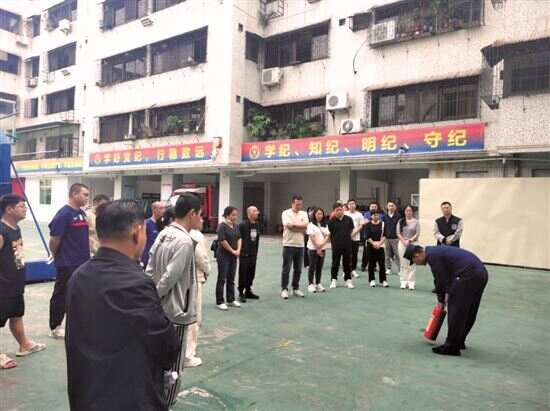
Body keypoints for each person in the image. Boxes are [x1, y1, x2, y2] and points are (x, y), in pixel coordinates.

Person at [66, 200, 179, 411]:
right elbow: (167, 347)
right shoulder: (135, 283)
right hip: (129, 398)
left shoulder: (78, 276)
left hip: (86, 395)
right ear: (137, 232)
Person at [146, 193, 202, 406]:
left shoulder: (164, 233)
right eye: (200, 215)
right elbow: (170, 276)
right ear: (191, 214)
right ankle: (167, 403)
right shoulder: (185, 241)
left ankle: (155, 399)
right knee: (174, 365)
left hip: (159, 308)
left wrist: (150, 295)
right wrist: (156, 295)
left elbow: (150, 266)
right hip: (176, 311)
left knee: (156, 359)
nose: (201, 219)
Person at [406, 244, 489, 356]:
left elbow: (440, 280)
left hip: (467, 275)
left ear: (417, 255)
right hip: (481, 273)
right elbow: (447, 276)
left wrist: (441, 300)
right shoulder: (435, 251)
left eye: (414, 261)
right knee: (469, 310)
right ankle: (459, 341)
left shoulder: (432, 256)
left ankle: (452, 346)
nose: (417, 264)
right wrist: (447, 293)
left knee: (455, 310)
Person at [0, 195, 46, 370]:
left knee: (16, 314)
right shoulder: (2, 231)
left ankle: (24, 345)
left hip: (15, 282)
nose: (25, 209)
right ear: (9, 209)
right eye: (21, 206)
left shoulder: (16, 228)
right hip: (3, 285)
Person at [48, 183, 90, 339]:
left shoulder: (81, 213)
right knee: (61, 295)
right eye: (85, 194)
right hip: (67, 263)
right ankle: (55, 326)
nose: (87, 198)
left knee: (78, 295)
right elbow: (55, 239)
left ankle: (76, 325)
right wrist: (56, 255)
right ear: (74, 194)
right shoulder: (64, 214)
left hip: (82, 262)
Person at [185, 225, 211, 368]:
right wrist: (207, 271)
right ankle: (188, 356)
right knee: (193, 318)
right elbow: (202, 258)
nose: (202, 220)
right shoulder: (196, 236)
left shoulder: (167, 232)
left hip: (176, 281)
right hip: (193, 278)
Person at [328, 202, 362, 290]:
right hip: (336, 245)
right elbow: (330, 233)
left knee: (347, 263)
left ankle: (348, 280)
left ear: (343, 210)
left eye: (340, 210)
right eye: (337, 210)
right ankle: (334, 280)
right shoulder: (331, 221)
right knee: (335, 263)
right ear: (334, 211)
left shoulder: (349, 219)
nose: (339, 211)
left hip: (347, 245)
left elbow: (351, 230)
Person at [280, 195, 309, 299]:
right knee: (286, 268)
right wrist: (300, 227)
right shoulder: (286, 213)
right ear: (292, 203)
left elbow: (306, 227)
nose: (299, 206)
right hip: (288, 244)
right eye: (297, 204)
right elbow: (289, 226)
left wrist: (295, 226)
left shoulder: (304, 213)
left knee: (298, 269)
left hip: (300, 245)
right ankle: (284, 289)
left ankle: (295, 288)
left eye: (300, 204)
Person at [216, 206, 242, 310]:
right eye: (233, 215)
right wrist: (232, 250)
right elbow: (222, 241)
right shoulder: (221, 226)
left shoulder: (236, 226)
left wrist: (238, 250)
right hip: (223, 256)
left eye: (236, 215)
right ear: (227, 215)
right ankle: (220, 301)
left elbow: (239, 238)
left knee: (231, 278)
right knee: (222, 278)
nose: (235, 217)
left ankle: (230, 299)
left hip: (233, 256)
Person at [238, 205, 261, 302]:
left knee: (251, 272)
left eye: (257, 211)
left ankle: (248, 290)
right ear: (249, 213)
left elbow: (257, 239)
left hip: (253, 253)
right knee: (243, 273)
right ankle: (241, 292)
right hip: (244, 254)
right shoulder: (242, 225)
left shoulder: (257, 224)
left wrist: (256, 252)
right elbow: (238, 238)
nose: (257, 213)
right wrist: (240, 250)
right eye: (254, 211)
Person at [306, 207, 330, 293]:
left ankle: (318, 283)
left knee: (319, 267)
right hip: (313, 249)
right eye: (318, 214)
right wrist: (318, 247)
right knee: (312, 266)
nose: (320, 215)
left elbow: (328, 236)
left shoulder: (325, 225)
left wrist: (321, 246)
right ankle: (310, 284)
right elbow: (312, 237)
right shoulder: (310, 225)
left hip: (322, 248)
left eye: (321, 214)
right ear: (314, 215)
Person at [397, 205, 420, 290]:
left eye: (410, 210)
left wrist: (409, 240)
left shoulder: (416, 222)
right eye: (407, 210)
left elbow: (417, 233)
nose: (408, 212)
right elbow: (398, 233)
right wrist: (404, 241)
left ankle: (411, 282)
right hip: (402, 243)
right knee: (403, 263)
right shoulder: (400, 221)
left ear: (412, 212)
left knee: (411, 263)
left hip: (412, 243)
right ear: (404, 212)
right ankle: (403, 281)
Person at [365, 210, 388, 287]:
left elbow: (385, 235)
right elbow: (367, 236)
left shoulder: (383, 224)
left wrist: (379, 243)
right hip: (370, 246)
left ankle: (383, 280)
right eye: (374, 215)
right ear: (371, 216)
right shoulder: (368, 225)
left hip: (380, 246)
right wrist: (374, 243)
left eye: (377, 215)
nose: (376, 216)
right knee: (371, 264)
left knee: (382, 264)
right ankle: (372, 280)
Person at [141, 201, 167, 268]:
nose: (163, 210)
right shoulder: (147, 223)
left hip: (159, 258)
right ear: (154, 209)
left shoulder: (162, 225)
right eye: (160, 208)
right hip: (147, 258)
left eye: (164, 208)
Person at [361, 202, 384, 271]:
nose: (373, 208)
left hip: (378, 237)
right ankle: (364, 265)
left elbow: (380, 222)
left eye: (375, 206)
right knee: (366, 252)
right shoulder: (366, 214)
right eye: (372, 206)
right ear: (369, 207)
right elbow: (365, 222)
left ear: (377, 207)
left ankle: (374, 266)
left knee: (376, 252)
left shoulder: (381, 214)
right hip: (368, 236)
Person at [345, 199, 364, 279]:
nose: (351, 205)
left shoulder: (359, 214)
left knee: (354, 254)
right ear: (347, 206)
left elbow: (361, 225)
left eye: (353, 204)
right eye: (350, 204)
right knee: (346, 254)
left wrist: (353, 233)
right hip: (346, 238)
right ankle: (346, 271)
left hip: (356, 237)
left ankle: (353, 270)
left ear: (355, 205)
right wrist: (348, 234)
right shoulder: (345, 213)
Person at [384, 201, 401, 277]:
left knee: (397, 254)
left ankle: (400, 269)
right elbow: (383, 227)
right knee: (387, 255)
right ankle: (388, 268)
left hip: (395, 239)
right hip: (387, 238)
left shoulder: (398, 216)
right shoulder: (385, 217)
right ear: (387, 207)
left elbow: (400, 227)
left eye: (392, 206)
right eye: (389, 206)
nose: (391, 207)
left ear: (395, 207)